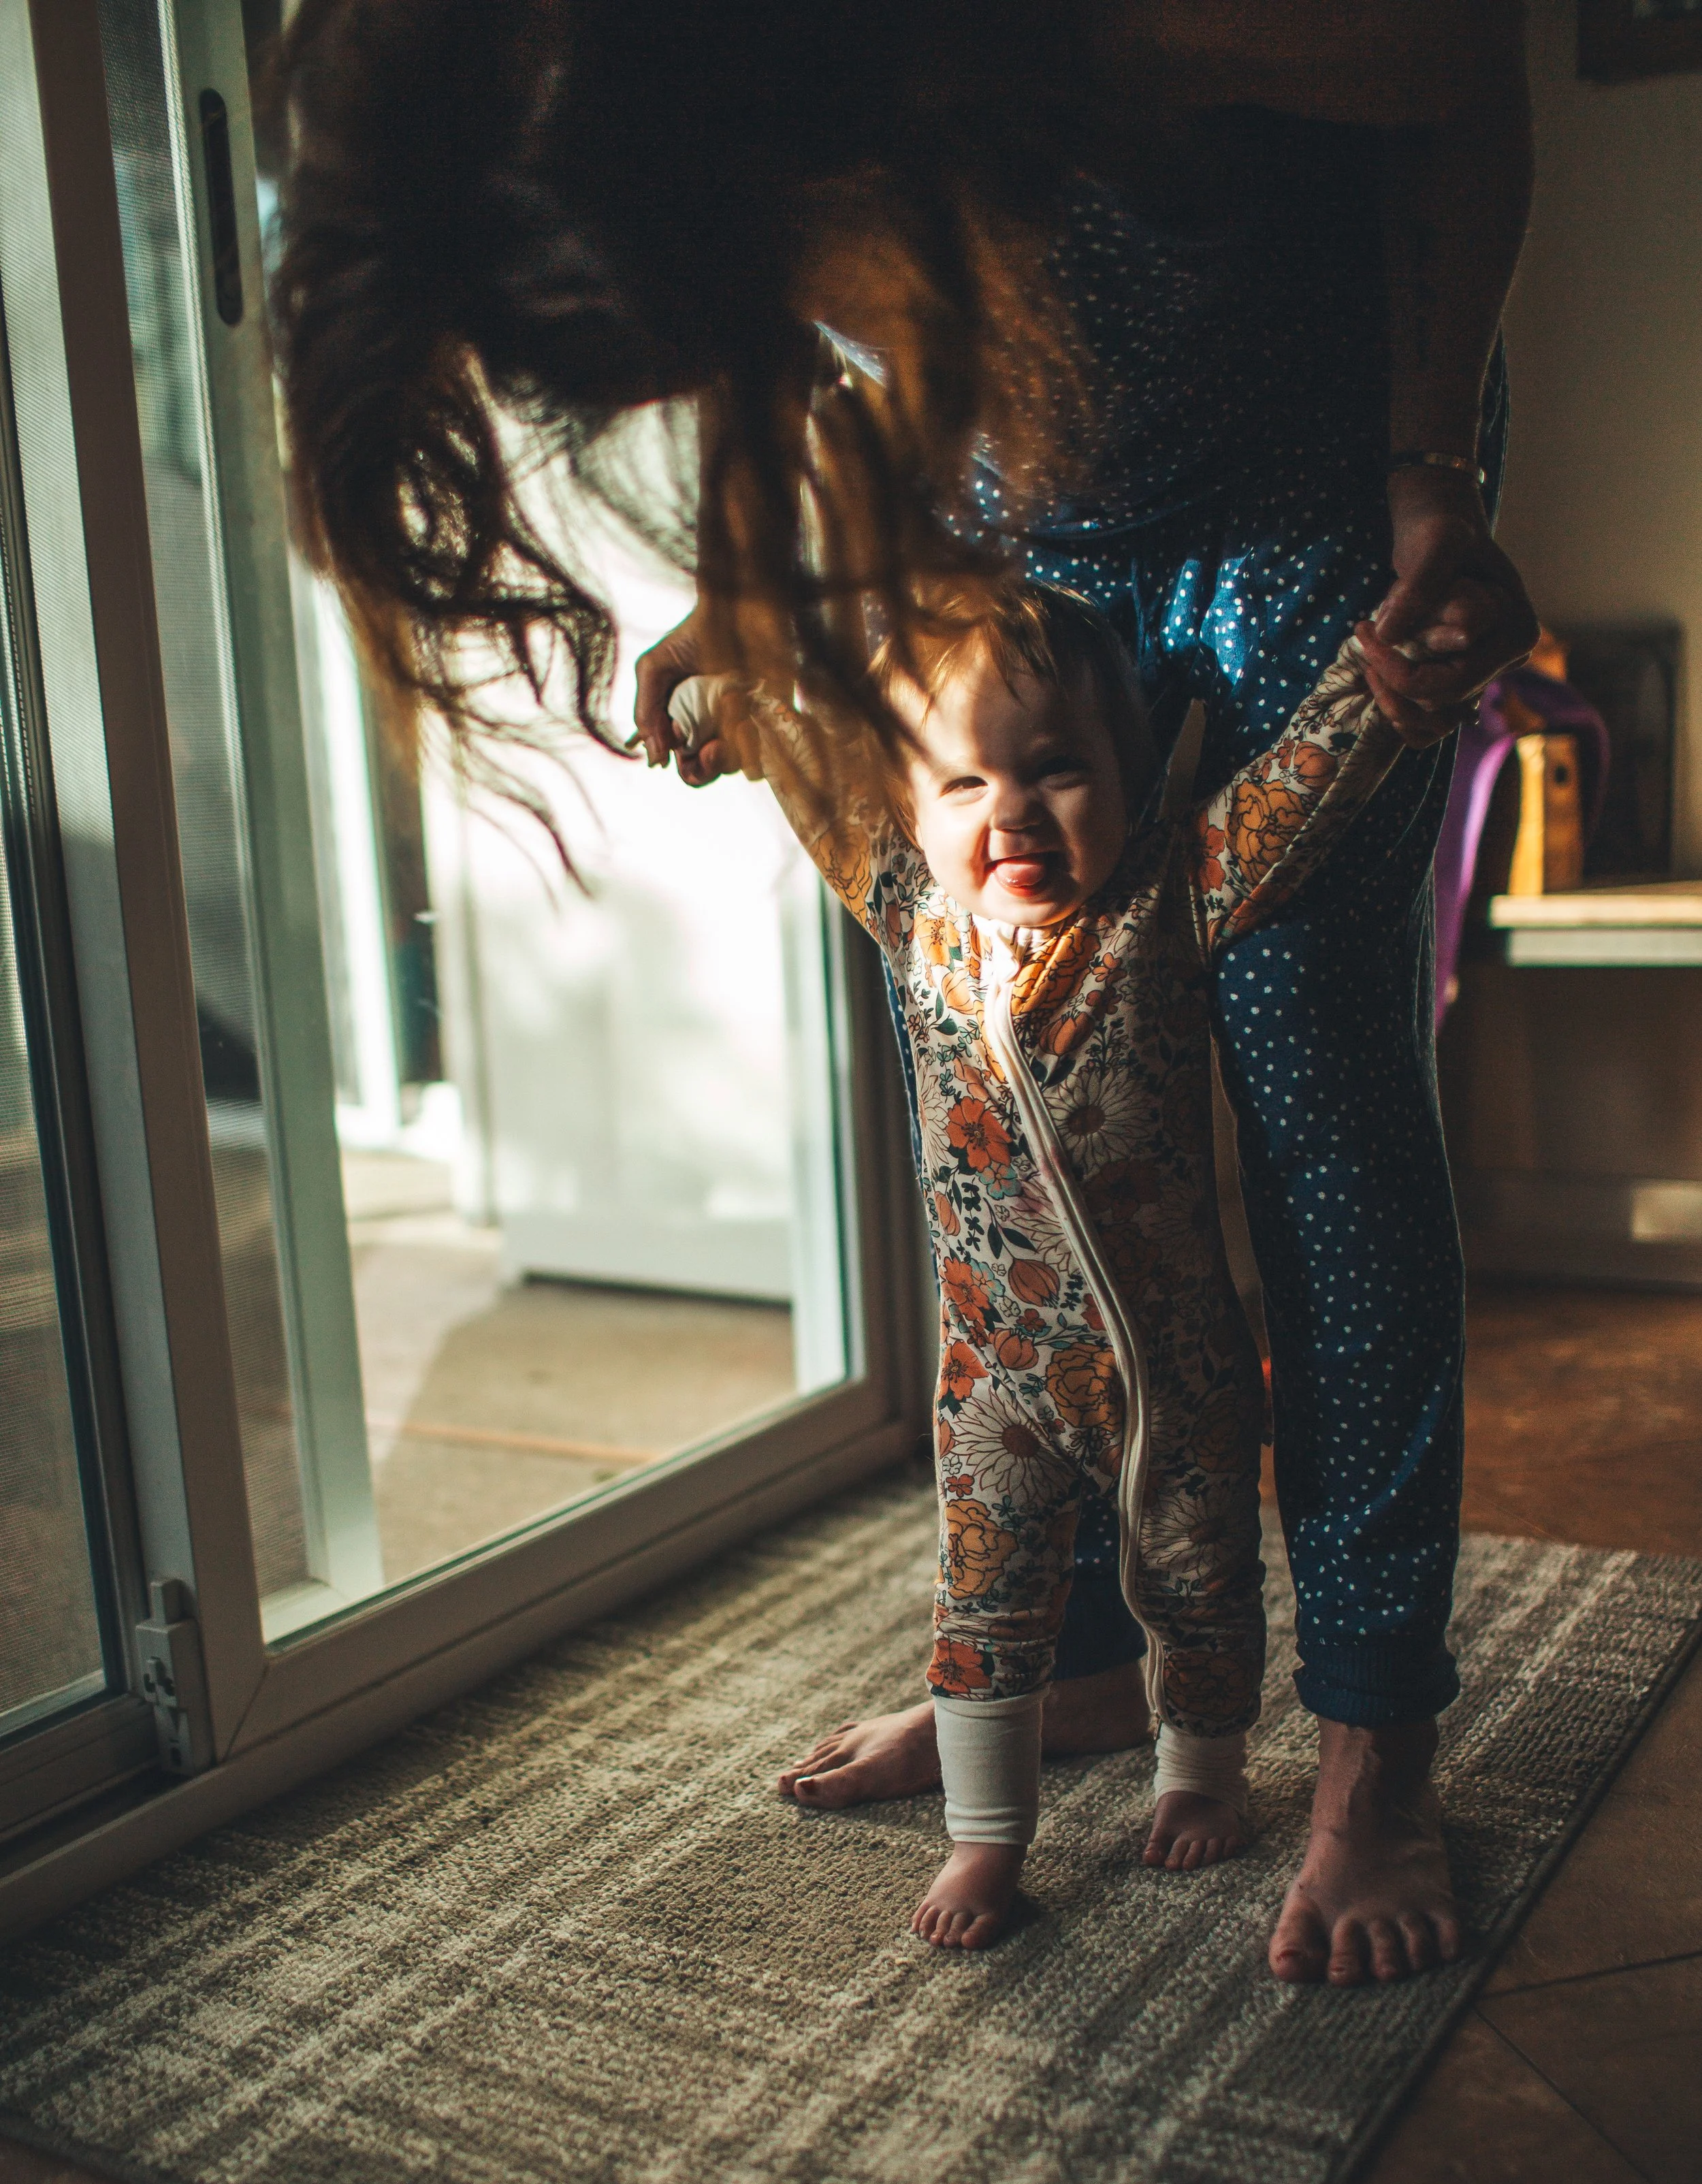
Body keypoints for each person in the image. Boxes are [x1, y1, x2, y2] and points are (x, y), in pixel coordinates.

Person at [272, 1, 1539, 1985]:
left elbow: (1462, 82)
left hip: (1309, 471)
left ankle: (1372, 1737)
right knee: (1000, 1050)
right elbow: (845, 349)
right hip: (1012, 508)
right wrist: (758, 584)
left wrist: (1420, 473)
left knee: (1307, 1069)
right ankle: (1077, 1673)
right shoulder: (738, 130)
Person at [672, 582, 1399, 1946]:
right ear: (910, 806)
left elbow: (1293, 794)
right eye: (961, 784)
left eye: (1054, 770)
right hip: (991, 1377)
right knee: (981, 1606)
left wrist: (1378, 685)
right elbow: (803, 761)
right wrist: (730, 690)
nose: (1006, 811)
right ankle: (984, 1841)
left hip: (1171, 1367)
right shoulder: (907, 907)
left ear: (1126, 776)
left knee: (1201, 1579)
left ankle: (1198, 1774)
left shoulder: (1166, 900)